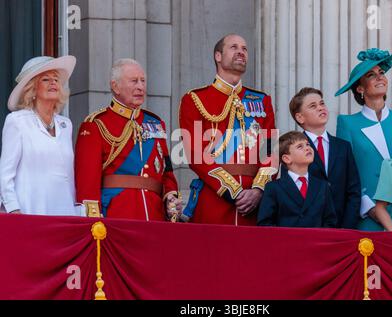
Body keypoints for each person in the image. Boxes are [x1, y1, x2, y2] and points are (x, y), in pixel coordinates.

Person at [178, 33, 277, 225]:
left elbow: (270, 152)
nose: (241, 52)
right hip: (214, 200)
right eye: (234, 47)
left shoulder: (262, 101)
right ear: (218, 56)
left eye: (244, 48)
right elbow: (195, 155)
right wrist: (235, 191)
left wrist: (257, 190)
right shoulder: (194, 99)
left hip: (255, 203)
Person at [75, 58, 181, 221]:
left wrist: (170, 195)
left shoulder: (155, 123)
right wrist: (94, 222)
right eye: (134, 81)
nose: (140, 87)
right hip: (117, 216)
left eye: (143, 81)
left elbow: (166, 171)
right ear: (115, 86)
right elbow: (87, 184)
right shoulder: (96, 125)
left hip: (155, 216)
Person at [335, 48, 392, 231]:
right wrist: (368, 207)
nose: (379, 77)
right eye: (371, 75)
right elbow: (346, 171)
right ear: (360, 88)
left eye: (381, 73)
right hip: (368, 215)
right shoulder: (348, 123)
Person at [0, 55, 79, 216]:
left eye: (56, 79)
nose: (53, 83)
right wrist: (13, 209)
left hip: (64, 212)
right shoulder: (17, 121)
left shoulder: (66, 124)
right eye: (45, 79)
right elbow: (5, 173)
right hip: (29, 211)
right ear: (32, 88)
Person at [289, 87, 361, 229]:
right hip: (309, 230)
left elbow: (353, 190)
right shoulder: (292, 150)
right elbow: (292, 193)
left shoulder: (343, 147)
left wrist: (347, 228)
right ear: (300, 117)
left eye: (322, 104)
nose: (320, 108)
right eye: (313, 106)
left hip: (342, 228)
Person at [257, 131, 336, 228]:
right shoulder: (273, 188)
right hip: (286, 242)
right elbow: (265, 223)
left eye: (307, 144)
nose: (307, 148)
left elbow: (330, 221)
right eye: (300, 146)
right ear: (287, 159)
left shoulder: (322, 186)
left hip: (316, 242)